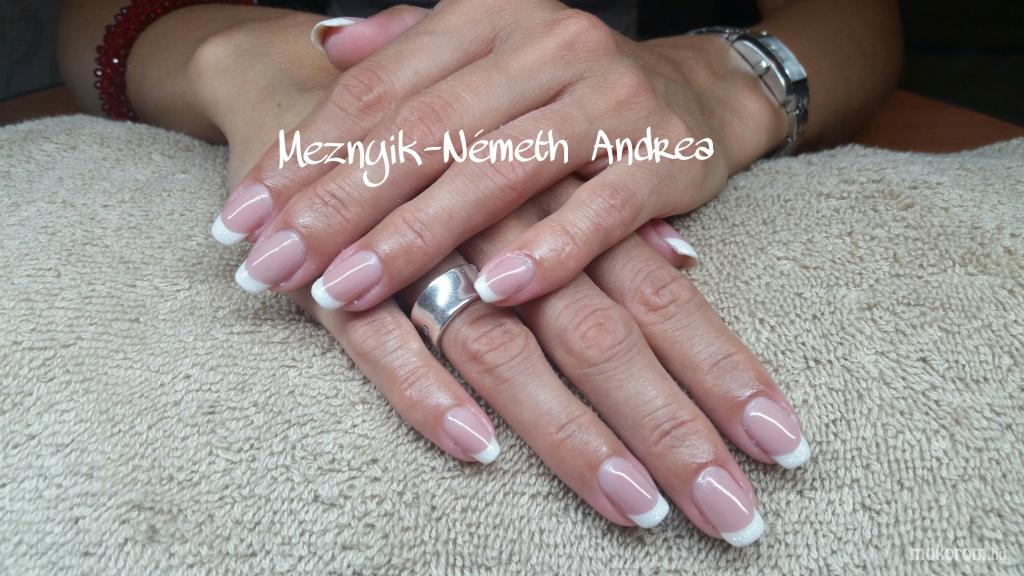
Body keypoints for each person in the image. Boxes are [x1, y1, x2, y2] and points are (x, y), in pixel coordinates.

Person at [57, 0, 901, 546]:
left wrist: (718, 77)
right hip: (302, 102)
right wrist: (241, 56)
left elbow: (858, 20)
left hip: (616, 118)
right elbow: (86, 17)